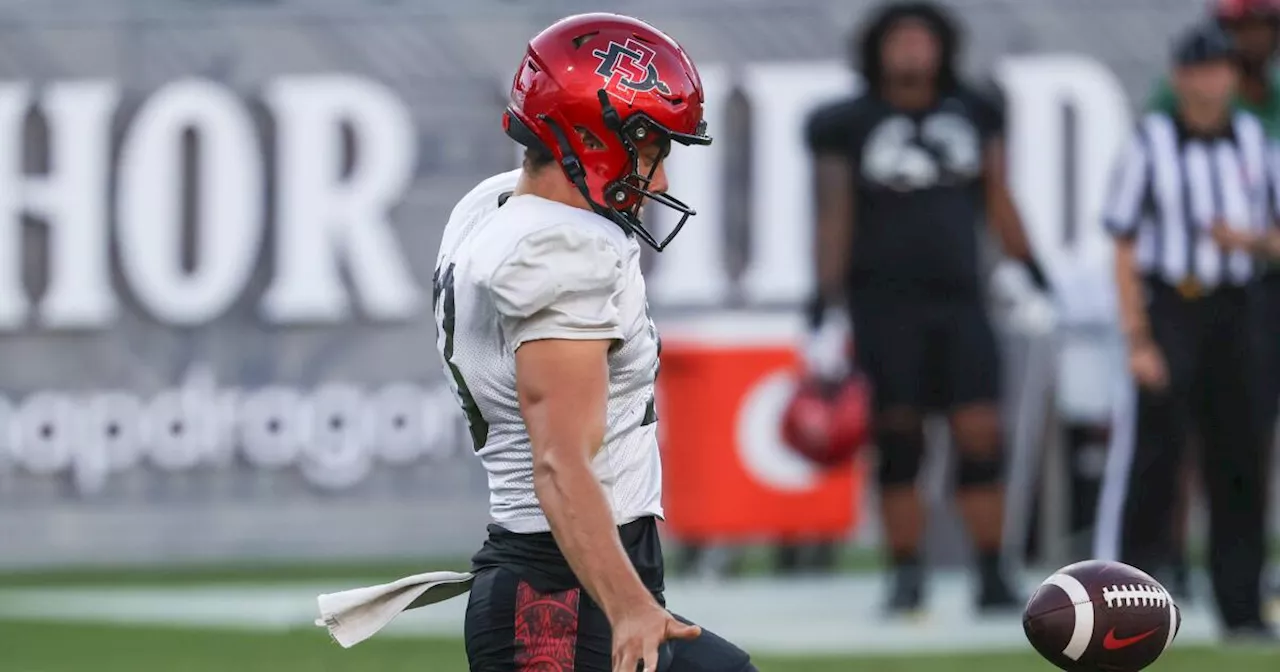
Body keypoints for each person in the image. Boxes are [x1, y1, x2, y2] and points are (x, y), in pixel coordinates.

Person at [432, 13, 756, 672]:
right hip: (556, 598)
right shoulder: (560, 250)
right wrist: (627, 604)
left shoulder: (495, 207)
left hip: (576, 580)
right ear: (592, 135)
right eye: (650, 149)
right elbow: (560, 463)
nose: (658, 180)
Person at [801, 0, 1051, 615]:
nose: (912, 51)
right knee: (899, 441)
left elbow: (997, 195)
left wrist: (1033, 268)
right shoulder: (847, 122)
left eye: (922, 39)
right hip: (883, 304)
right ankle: (906, 573)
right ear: (878, 49)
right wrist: (823, 299)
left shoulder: (974, 110)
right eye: (900, 39)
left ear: (942, 46)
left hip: (962, 300)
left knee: (981, 436)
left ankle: (991, 572)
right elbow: (834, 214)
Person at [1094, 22, 1277, 643]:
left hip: (1238, 305)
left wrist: (1247, 241)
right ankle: (1127, 611)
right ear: (1179, 80)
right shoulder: (1149, 141)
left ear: (1233, 77)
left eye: (1220, 70)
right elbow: (1120, 243)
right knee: (1155, 459)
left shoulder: (1256, 140)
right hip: (1172, 304)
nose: (1210, 83)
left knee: (1242, 457)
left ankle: (1242, 607)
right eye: (1198, 72)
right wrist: (1138, 337)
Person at [1145, 0, 1280, 602]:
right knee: (1170, 439)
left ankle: (1242, 584)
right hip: (1181, 293)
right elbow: (1129, 227)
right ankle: (1160, 567)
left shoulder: (1260, 127)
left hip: (1255, 291)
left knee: (1246, 440)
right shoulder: (1164, 121)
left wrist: (1249, 239)